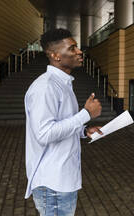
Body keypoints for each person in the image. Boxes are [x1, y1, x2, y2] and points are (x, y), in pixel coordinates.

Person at [24, 28, 102, 216]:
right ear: (56, 55)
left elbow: (63, 124)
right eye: (73, 48)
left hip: (62, 182)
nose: (79, 52)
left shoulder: (63, 84)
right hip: (53, 185)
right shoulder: (46, 87)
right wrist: (85, 114)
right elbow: (44, 134)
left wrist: (84, 131)